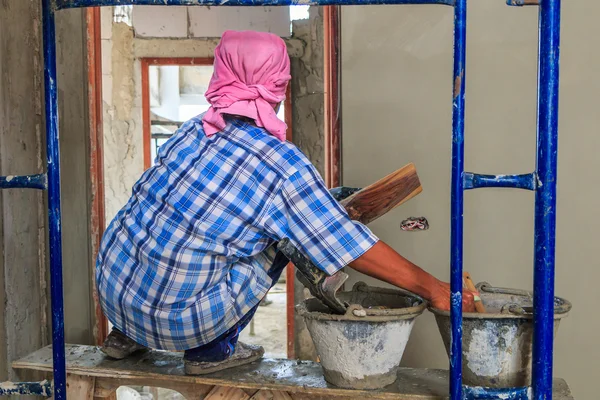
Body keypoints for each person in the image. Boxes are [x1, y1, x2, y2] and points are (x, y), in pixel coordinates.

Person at [96, 30, 475, 376]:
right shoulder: (282, 165)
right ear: (278, 85)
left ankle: (123, 336)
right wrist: (435, 289)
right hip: (178, 323)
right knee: (284, 242)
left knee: (156, 225)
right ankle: (212, 352)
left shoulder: (192, 131)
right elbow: (346, 246)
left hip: (113, 292)